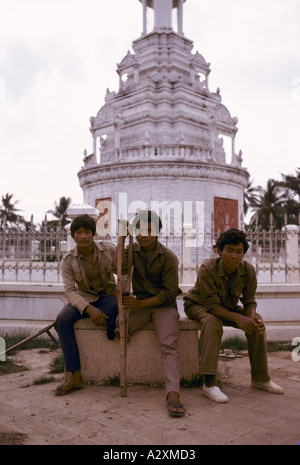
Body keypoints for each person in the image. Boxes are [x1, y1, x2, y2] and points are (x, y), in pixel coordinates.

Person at [183, 228, 284, 403]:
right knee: (212, 322)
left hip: (226, 306)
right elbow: (212, 306)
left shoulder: (248, 270)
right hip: (198, 304)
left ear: (243, 254)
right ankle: (209, 383)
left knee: (257, 323)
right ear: (219, 251)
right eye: (229, 250)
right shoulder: (207, 268)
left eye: (239, 252)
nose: (234, 256)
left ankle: (260, 378)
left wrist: (250, 316)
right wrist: (239, 318)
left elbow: (249, 301)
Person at [114, 210, 186, 417]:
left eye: (149, 230)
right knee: (120, 325)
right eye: (138, 230)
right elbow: (116, 267)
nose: (143, 235)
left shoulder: (168, 257)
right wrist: (120, 239)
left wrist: (139, 305)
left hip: (163, 306)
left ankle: (173, 393)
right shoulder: (133, 250)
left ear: (157, 233)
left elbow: (169, 293)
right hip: (140, 306)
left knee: (168, 344)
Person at [55, 214, 118, 396]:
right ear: (73, 235)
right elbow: (69, 291)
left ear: (94, 234)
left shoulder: (109, 250)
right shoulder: (68, 260)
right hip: (84, 298)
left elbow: (122, 271)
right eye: (79, 233)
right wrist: (89, 309)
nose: (83, 236)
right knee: (62, 319)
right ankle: (74, 376)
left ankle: (111, 328)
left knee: (114, 307)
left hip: (108, 296)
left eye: (87, 232)